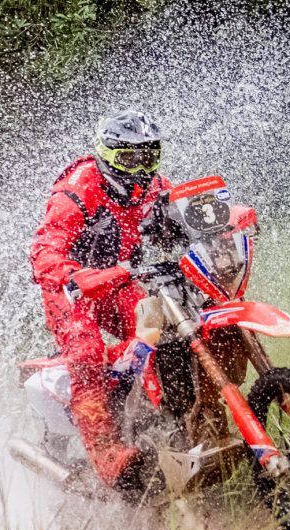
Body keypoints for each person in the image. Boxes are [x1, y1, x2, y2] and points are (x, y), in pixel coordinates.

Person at [29, 110, 177, 493]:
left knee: (164, 329)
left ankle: (164, 421)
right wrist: (73, 276)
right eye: (129, 158)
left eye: (148, 156)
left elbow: (185, 216)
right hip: (71, 289)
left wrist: (224, 226)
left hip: (118, 280)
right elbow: (44, 250)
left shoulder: (155, 187)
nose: (140, 168)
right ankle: (108, 453)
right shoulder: (78, 189)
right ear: (107, 154)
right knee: (86, 350)